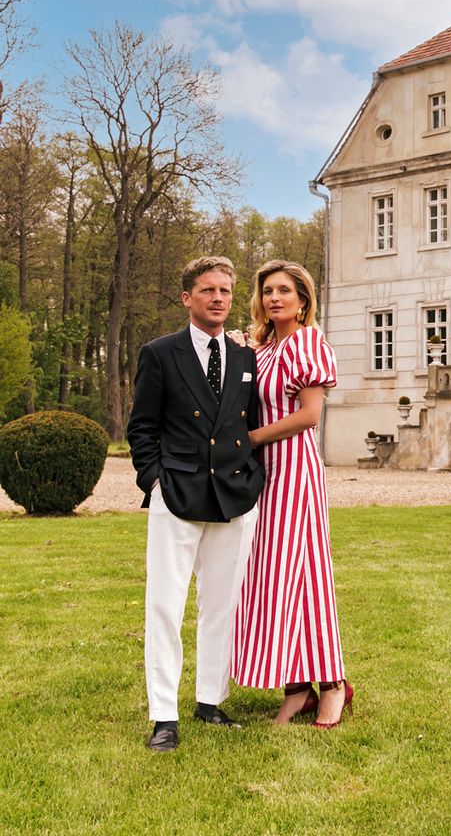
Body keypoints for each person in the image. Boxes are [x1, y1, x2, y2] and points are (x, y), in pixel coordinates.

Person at [127, 256, 265, 753]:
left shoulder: (246, 358)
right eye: (208, 290)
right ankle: (164, 714)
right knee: (164, 606)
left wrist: (253, 476)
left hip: (233, 494)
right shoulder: (160, 354)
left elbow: (248, 423)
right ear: (187, 298)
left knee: (221, 606)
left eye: (226, 291)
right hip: (177, 493)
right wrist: (155, 480)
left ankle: (210, 700)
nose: (219, 299)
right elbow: (142, 427)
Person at [231, 260, 351, 729]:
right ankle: (298, 685)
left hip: (295, 468)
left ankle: (333, 684)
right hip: (263, 474)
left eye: (284, 290)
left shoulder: (307, 342)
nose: (274, 298)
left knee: (307, 574)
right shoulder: (261, 348)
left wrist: (252, 439)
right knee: (277, 578)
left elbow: (309, 417)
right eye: (267, 291)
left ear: (303, 299)